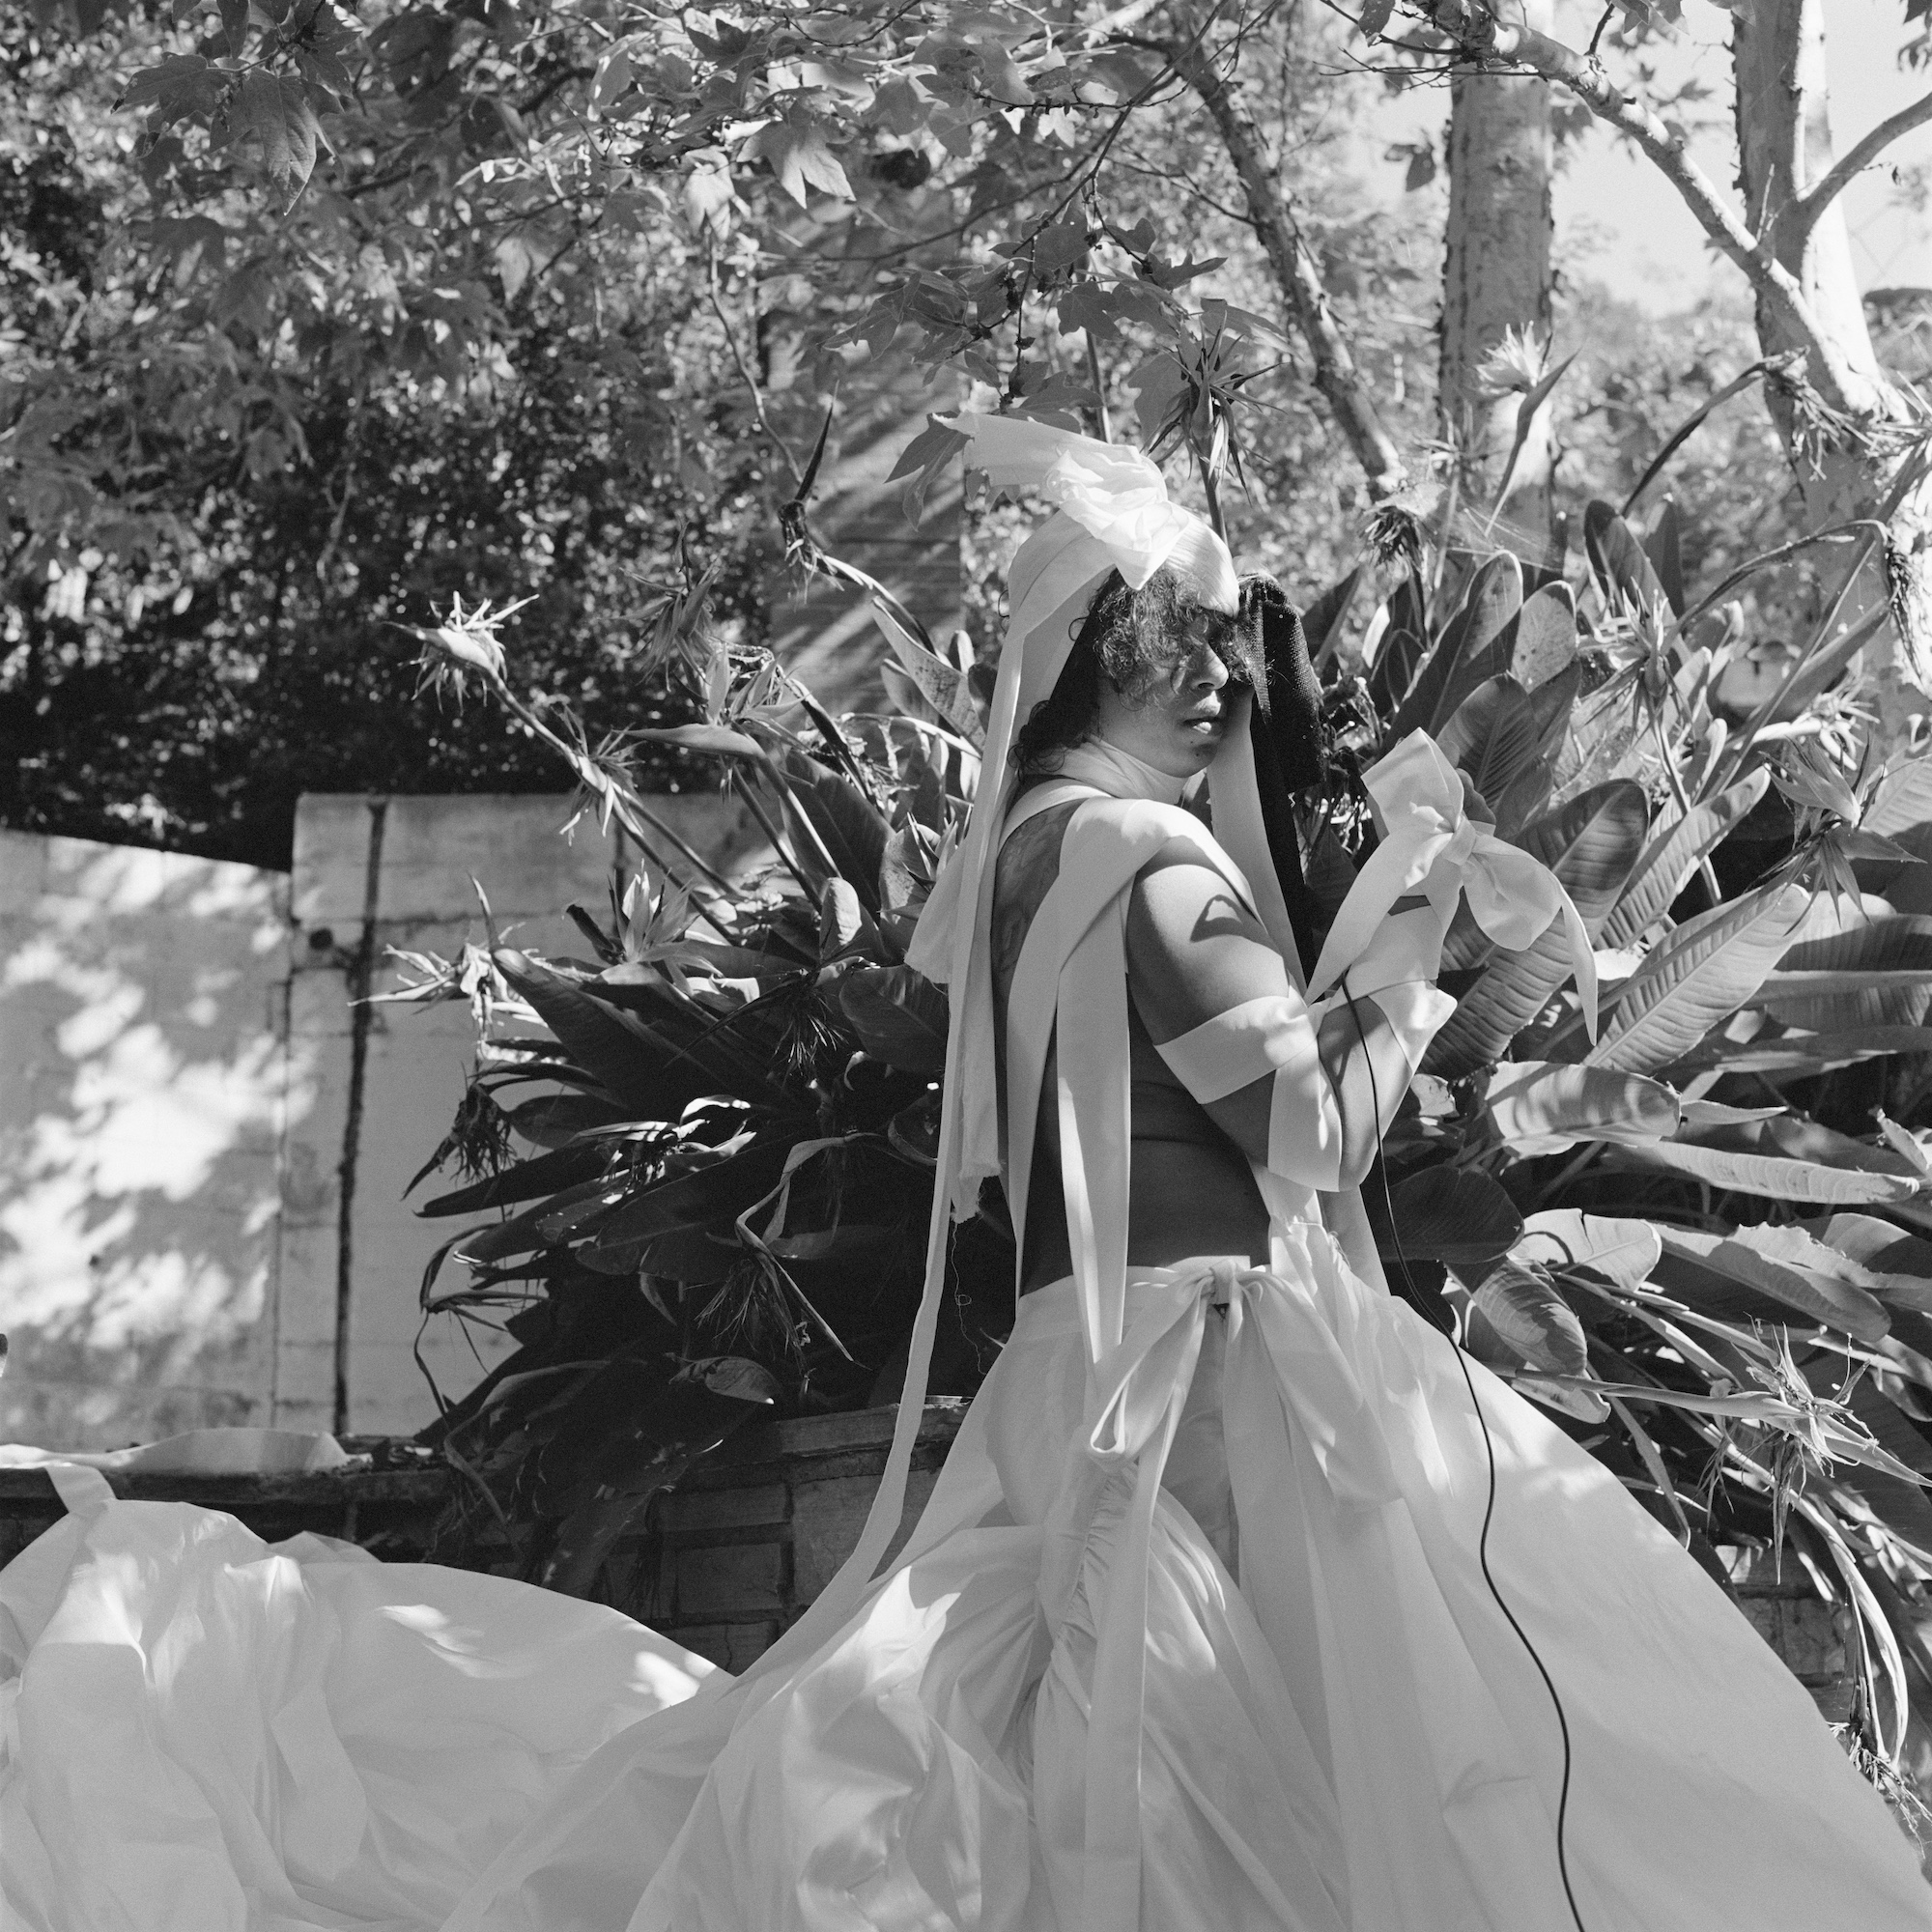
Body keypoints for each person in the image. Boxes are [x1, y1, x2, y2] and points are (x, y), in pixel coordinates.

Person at [3, 415, 1928, 1932]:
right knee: (1387, 1759)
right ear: (1150, 665)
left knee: (1085, 1753)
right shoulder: (1157, 869)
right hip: (1221, 1368)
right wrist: (1422, 920)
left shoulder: (1032, 865)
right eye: (1220, 654)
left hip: (1084, 1360)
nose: (1244, 694)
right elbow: (1306, 1130)